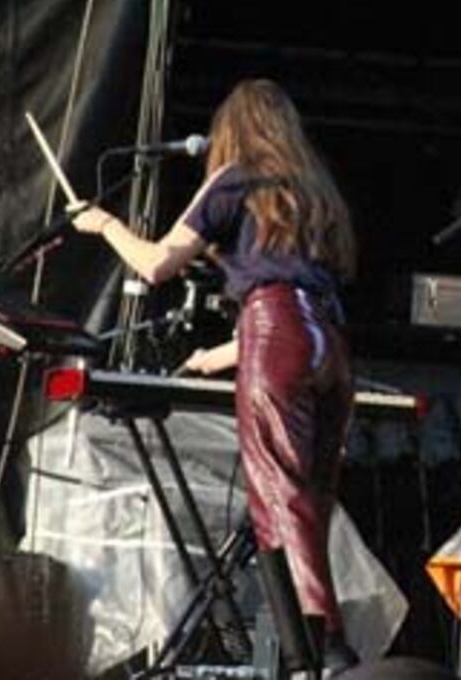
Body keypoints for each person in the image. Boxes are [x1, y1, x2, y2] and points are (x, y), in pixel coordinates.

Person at [71, 79, 360, 670]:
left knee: (280, 499)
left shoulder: (233, 179)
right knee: (311, 502)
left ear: (232, 131)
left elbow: (157, 264)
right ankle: (309, 647)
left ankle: (324, 651)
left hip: (278, 332)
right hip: (328, 346)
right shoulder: (313, 191)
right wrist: (223, 355)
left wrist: (103, 226)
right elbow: (300, 305)